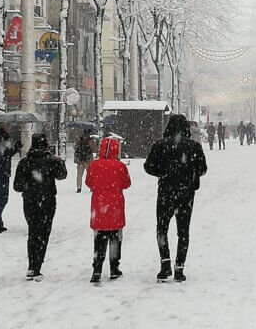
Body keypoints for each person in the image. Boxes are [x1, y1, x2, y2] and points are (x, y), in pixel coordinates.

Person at [144, 114, 207, 283]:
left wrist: (164, 173)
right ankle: (179, 268)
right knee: (183, 231)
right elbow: (203, 169)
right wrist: (189, 175)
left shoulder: (159, 145)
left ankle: (165, 265)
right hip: (186, 194)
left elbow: (148, 167)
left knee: (162, 228)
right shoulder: (193, 146)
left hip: (165, 193)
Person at [13, 133, 67, 281]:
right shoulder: (51, 161)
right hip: (48, 201)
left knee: (33, 232)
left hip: (29, 202)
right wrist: (59, 162)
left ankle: (32, 265)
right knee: (44, 233)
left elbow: (17, 186)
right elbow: (62, 175)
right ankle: (37, 266)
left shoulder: (24, 163)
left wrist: (28, 186)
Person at [85, 136, 131, 284]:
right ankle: (114, 268)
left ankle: (97, 269)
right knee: (115, 239)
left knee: (99, 239)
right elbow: (126, 183)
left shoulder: (94, 165)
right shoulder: (120, 166)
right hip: (115, 205)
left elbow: (89, 182)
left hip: (98, 205)